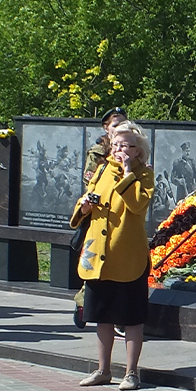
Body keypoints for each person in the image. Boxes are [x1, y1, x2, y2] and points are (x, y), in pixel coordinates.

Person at [71, 121, 154, 391]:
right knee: (101, 315)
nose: (119, 150)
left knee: (131, 317)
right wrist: (84, 206)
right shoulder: (103, 168)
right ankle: (103, 370)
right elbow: (88, 197)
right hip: (99, 255)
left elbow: (138, 204)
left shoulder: (144, 174)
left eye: (126, 145)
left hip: (128, 256)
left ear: (138, 150)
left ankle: (131, 373)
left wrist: (128, 173)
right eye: (116, 145)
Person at [73, 106, 128, 328]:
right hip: (99, 213)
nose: (119, 128)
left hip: (122, 213)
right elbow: (89, 180)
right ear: (106, 128)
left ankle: (116, 313)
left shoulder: (133, 148)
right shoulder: (98, 152)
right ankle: (83, 302)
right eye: (115, 125)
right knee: (95, 262)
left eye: (123, 123)